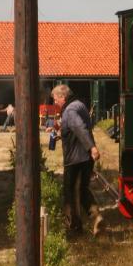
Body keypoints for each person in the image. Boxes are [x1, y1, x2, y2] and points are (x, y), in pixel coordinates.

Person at [49, 84, 103, 236]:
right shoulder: (79, 105)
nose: (55, 103)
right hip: (86, 158)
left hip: (74, 158)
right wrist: (61, 132)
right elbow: (75, 127)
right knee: (82, 189)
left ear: (62, 97)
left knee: (70, 193)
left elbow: (79, 127)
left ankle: (73, 228)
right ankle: (96, 216)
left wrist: (92, 147)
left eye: (55, 99)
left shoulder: (70, 110)